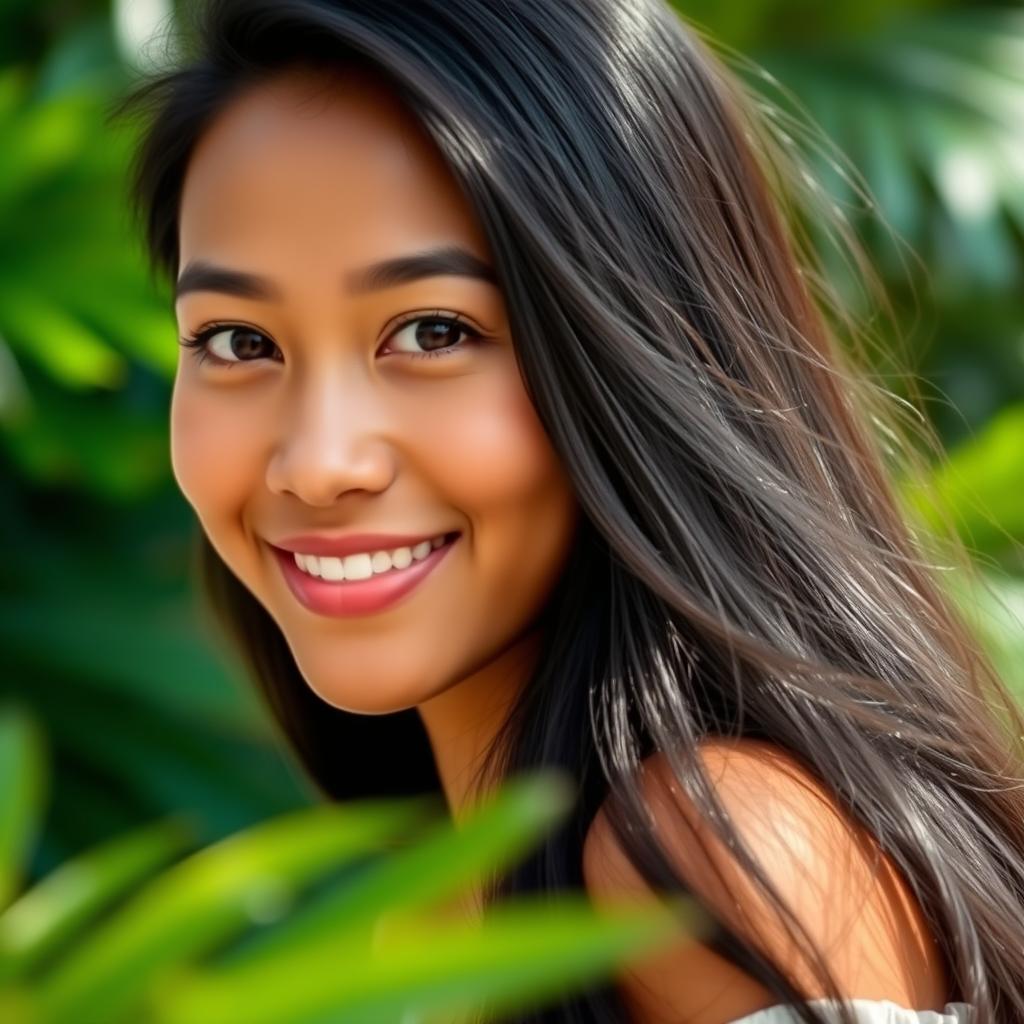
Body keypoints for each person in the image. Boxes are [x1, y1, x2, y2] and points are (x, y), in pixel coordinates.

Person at [112, 1, 1024, 1021]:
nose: (320, 463)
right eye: (238, 343)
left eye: (431, 330)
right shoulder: (441, 904)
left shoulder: (705, 848)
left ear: (639, 349)